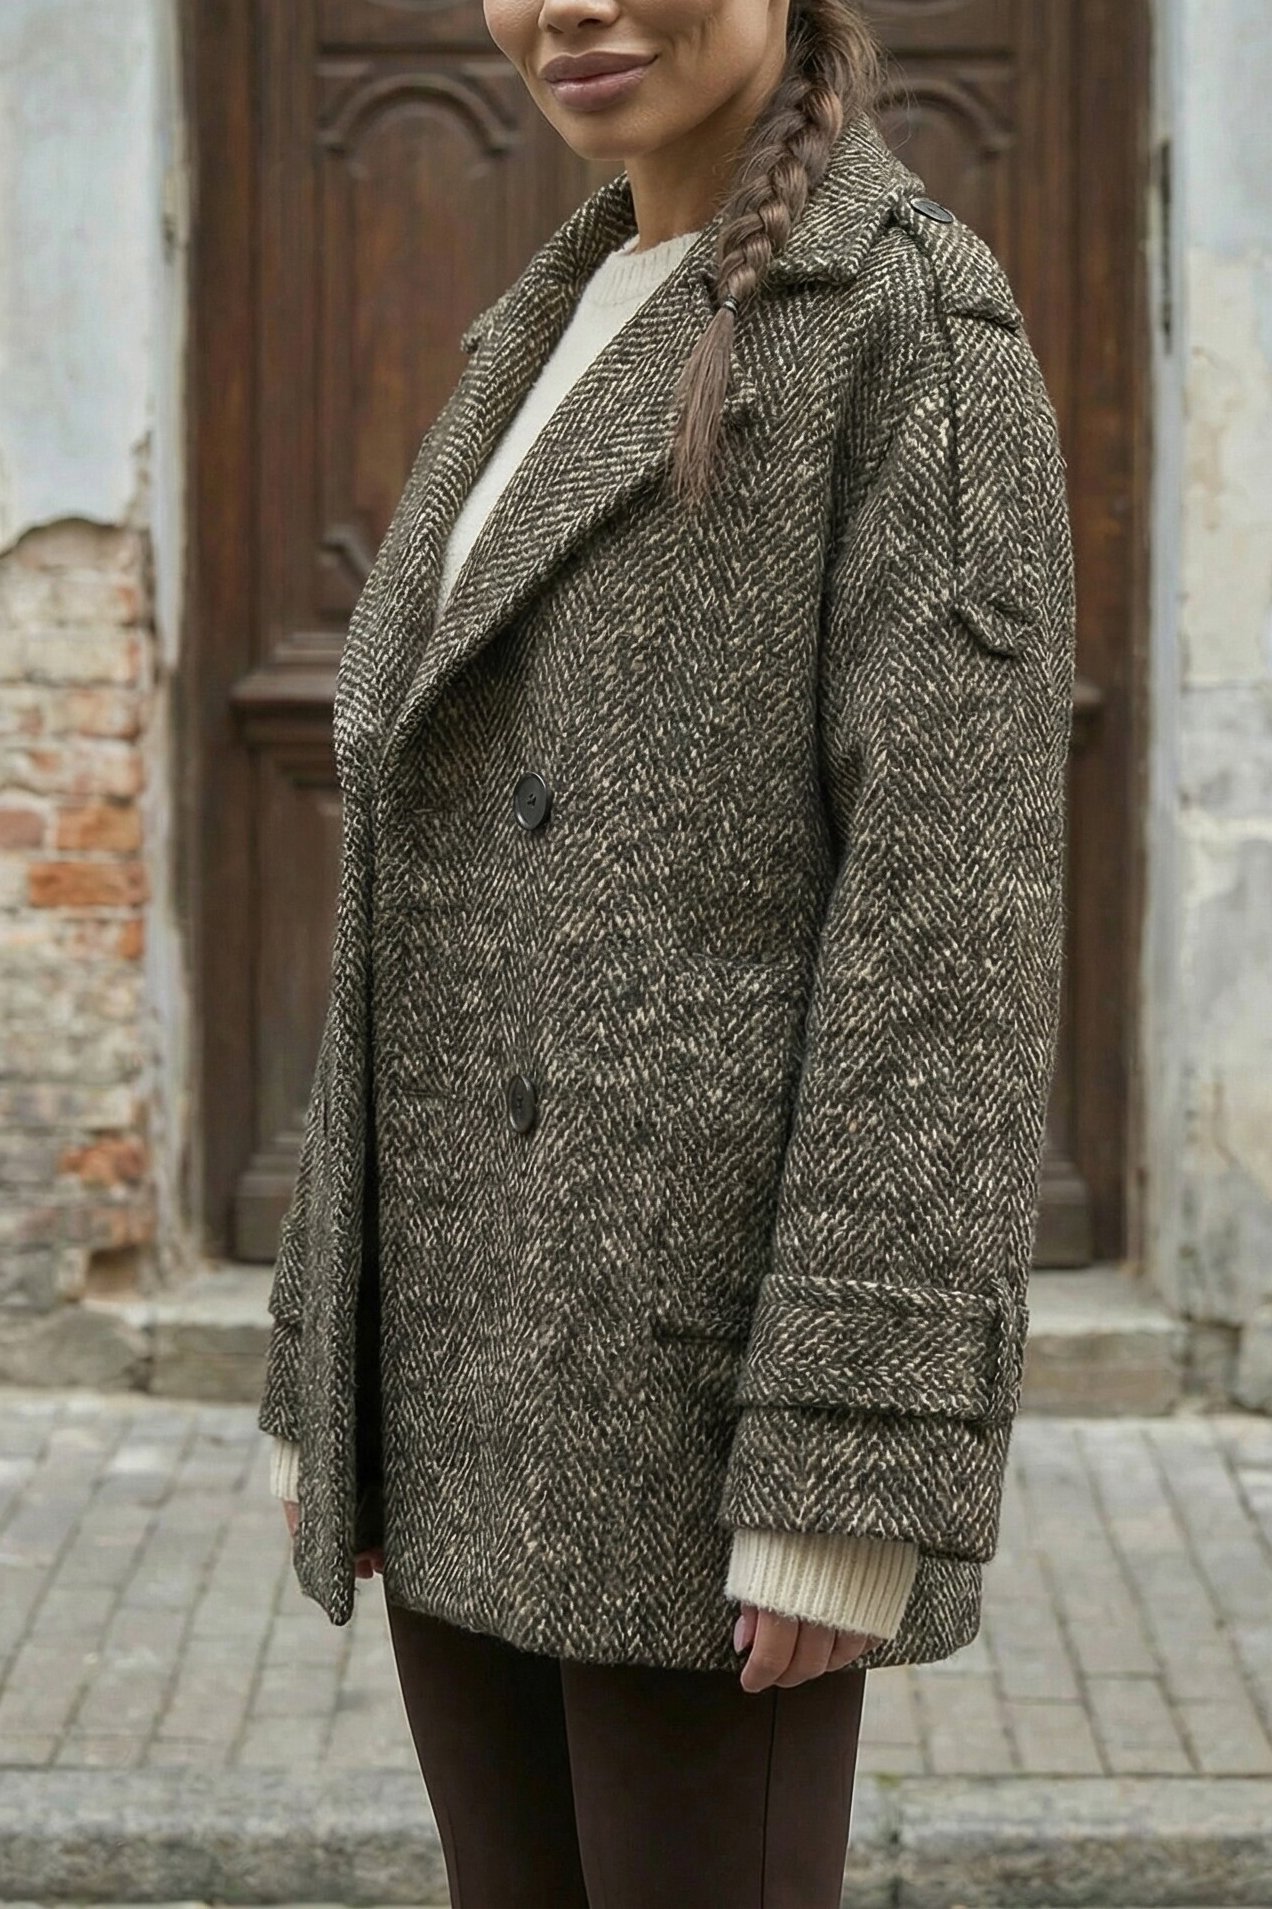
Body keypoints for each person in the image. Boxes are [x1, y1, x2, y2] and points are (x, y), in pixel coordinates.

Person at [257, 0, 1076, 1899]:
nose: (571, 4)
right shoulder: (553, 315)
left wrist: (847, 1457)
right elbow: (424, 876)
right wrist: (335, 1351)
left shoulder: (910, 325)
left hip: (693, 1409)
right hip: (466, 1363)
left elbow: (946, 934)